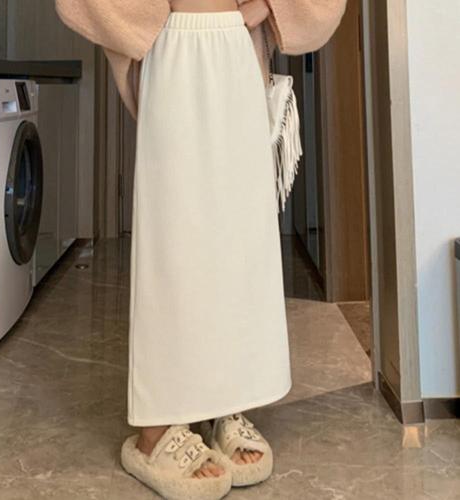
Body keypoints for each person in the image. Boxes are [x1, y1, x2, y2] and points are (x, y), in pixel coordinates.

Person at [55, 1, 347, 499]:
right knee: (174, 239)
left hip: (236, 48)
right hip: (171, 43)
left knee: (239, 241)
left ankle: (228, 401)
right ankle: (155, 430)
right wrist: (147, 19)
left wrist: (268, 6)